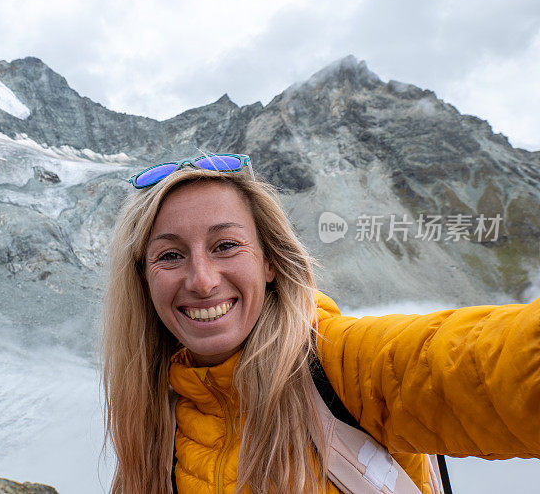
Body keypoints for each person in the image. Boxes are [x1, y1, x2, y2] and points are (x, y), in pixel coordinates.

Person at [101, 154, 540, 494]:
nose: (201, 280)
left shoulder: (343, 366)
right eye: (171, 255)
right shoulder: (155, 415)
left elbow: (489, 361)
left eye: (226, 245)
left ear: (270, 261)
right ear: (143, 278)